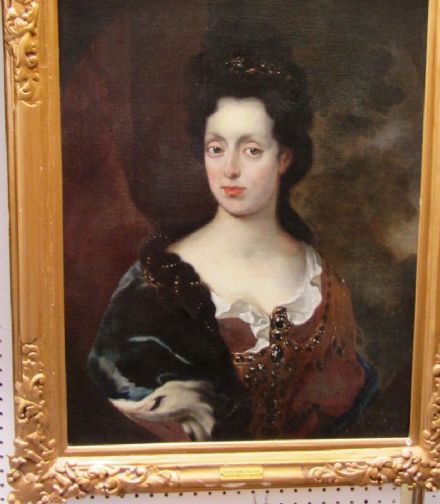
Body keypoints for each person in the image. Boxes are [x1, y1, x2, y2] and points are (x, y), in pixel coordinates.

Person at [87, 35, 378, 441]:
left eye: (252, 150)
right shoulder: (154, 284)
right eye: (216, 148)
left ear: (284, 158)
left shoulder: (322, 281)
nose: (230, 169)